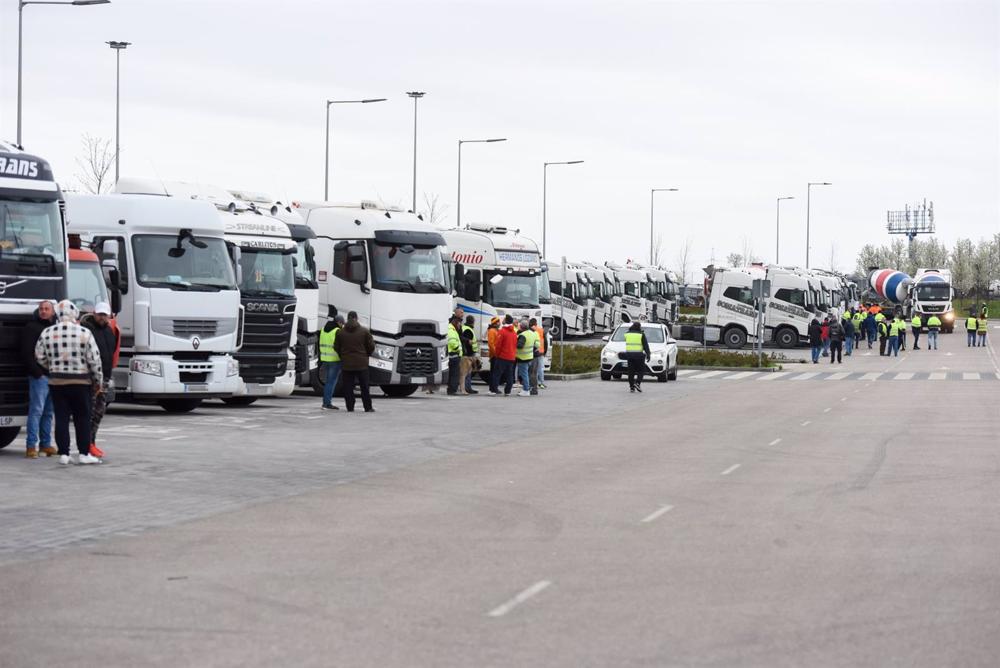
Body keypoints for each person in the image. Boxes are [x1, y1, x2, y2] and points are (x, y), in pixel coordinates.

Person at [34, 300, 103, 465]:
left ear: (57, 313)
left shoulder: (47, 332)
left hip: (57, 382)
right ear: (75, 314)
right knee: (82, 418)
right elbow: (94, 360)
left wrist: (52, 367)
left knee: (61, 418)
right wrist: (98, 380)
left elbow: (39, 356)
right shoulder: (85, 333)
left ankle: (64, 454)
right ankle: (84, 453)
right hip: (81, 382)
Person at [80, 302, 119, 458]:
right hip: (91, 377)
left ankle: (92, 442)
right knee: (89, 412)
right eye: (100, 314)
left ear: (109, 316)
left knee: (99, 412)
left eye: (105, 315)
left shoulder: (109, 331)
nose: (102, 317)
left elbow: (111, 353)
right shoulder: (86, 330)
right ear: (94, 313)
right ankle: (86, 444)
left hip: (105, 377)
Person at [21, 299, 56, 458]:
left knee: (48, 413)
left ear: (53, 312)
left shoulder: (55, 328)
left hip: (53, 377)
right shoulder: (31, 328)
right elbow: (26, 353)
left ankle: (45, 445)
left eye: (47, 309)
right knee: (36, 411)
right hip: (39, 377)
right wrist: (37, 373)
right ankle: (31, 446)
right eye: (41, 308)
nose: (43, 311)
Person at [333, 311, 375, 412]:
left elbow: (336, 347)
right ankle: (368, 407)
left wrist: (342, 356)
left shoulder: (340, 332)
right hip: (362, 364)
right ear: (356, 318)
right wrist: (366, 355)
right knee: (364, 387)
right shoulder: (364, 331)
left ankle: (350, 407)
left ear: (347, 318)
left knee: (348, 387)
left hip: (347, 364)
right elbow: (371, 346)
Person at [318, 313, 345, 410]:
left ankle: (326, 402)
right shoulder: (337, 331)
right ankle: (327, 403)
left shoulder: (323, 329)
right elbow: (340, 346)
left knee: (328, 382)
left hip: (325, 359)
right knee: (331, 382)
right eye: (342, 323)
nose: (342, 325)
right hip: (335, 360)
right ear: (339, 322)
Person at [622, 322, 650, 392]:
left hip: (629, 355)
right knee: (641, 370)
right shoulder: (641, 334)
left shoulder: (627, 334)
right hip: (639, 355)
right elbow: (645, 345)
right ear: (639, 327)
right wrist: (648, 354)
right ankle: (637, 383)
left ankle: (632, 387)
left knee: (631, 372)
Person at [493, 315, 517, 396]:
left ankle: (494, 389)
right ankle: (508, 391)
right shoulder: (514, 332)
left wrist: (497, 355)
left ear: (506, 321)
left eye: (503, 319)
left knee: (497, 373)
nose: (502, 320)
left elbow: (498, 345)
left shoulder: (502, 331)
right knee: (509, 375)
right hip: (511, 357)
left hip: (502, 356)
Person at [514, 319, 538, 397]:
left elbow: (520, 346)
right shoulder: (532, 333)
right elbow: (536, 345)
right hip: (530, 357)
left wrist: (514, 344)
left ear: (521, 327)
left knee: (524, 375)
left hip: (522, 358)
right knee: (526, 374)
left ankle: (526, 390)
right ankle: (526, 389)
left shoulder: (523, 335)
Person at [460, 315, 479, 394]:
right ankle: (467, 388)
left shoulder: (464, 328)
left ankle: (466, 387)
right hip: (468, 353)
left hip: (466, 353)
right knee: (467, 372)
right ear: (473, 321)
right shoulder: (468, 330)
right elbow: (467, 343)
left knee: (465, 372)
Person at [446, 316, 463, 395]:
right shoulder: (451, 330)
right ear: (455, 322)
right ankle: (452, 390)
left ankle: (451, 389)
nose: (460, 325)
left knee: (452, 374)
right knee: (454, 374)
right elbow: (452, 342)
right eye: (459, 323)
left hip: (453, 355)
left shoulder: (451, 329)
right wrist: (458, 349)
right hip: (454, 355)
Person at [486, 316, 501, 394]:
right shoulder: (492, 331)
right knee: (494, 373)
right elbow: (491, 344)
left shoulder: (495, 330)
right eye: (498, 322)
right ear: (495, 323)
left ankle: (493, 388)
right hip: (494, 355)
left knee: (495, 372)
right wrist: (495, 353)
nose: (499, 323)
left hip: (496, 355)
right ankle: (493, 388)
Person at [528, 317, 543, 395]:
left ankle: (531, 388)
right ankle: (537, 386)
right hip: (538, 353)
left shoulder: (529, 332)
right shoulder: (539, 330)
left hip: (531, 354)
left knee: (531, 373)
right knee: (536, 371)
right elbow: (543, 341)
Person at [532, 319, 547, 389]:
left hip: (534, 352)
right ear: (536, 323)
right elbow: (545, 341)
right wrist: (545, 351)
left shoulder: (531, 330)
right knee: (540, 368)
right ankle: (541, 383)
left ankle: (535, 383)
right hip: (541, 351)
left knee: (534, 369)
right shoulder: (541, 330)